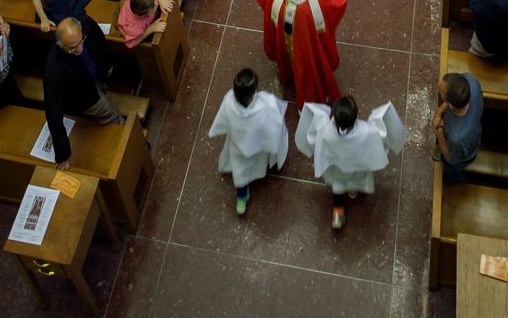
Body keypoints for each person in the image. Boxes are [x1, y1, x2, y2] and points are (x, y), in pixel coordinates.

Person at [251, 0, 347, 108]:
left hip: (285, 39)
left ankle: (287, 73)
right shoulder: (320, 0)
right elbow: (340, 2)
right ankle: (305, 107)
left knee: (287, 53)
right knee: (306, 72)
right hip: (304, 48)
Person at [295, 93, 406, 230]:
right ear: (355, 117)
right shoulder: (367, 132)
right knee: (357, 180)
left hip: (338, 172)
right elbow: (380, 133)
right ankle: (354, 189)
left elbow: (316, 127)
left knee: (338, 189)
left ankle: (337, 212)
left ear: (335, 118)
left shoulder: (326, 132)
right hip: (358, 171)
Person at [43, 14, 126, 165]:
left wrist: (107, 68)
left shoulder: (86, 24)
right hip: (87, 98)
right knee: (110, 116)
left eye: (81, 41)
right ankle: (126, 140)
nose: (80, 48)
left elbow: (101, 44)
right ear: (60, 45)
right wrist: (63, 155)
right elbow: (53, 112)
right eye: (73, 48)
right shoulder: (54, 69)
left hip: (97, 76)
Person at [207, 66, 290, 217]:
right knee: (258, 163)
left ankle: (241, 197)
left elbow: (222, 122)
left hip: (238, 149)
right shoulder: (266, 106)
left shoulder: (228, 101)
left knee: (240, 174)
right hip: (258, 148)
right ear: (253, 93)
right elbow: (274, 127)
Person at [431, 69, 483, 184]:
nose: (439, 85)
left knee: (451, 168)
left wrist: (439, 130)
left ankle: (457, 183)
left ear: (450, 104)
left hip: (461, 154)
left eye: (441, 91)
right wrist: (439, 111)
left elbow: (450, 158)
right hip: (475, 130)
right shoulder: (471, 82)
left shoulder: (457, 138)